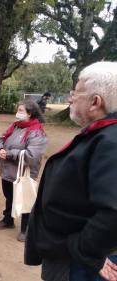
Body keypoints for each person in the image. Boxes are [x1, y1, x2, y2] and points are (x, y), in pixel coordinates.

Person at [25, 61, 117, 281]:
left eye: (76, 93)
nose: (70, 98)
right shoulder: (100, 135)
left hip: (77, 264)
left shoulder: (111, 142)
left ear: (95, 102)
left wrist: (85, 250)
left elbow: (113, 211)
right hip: (67, 256)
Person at [0, 100, 47, 241]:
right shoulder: (15, 126)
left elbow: (32, 155)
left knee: (24, 199)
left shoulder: (37, 132)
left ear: (30, 113)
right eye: (18, 110)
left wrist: (10, 153)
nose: (18, 112)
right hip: (8, 170)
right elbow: (2, 138)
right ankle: (8, 220)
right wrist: (0, 149)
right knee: (9, 196)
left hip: (24, 173)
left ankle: (26, 228)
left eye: (21, 110)